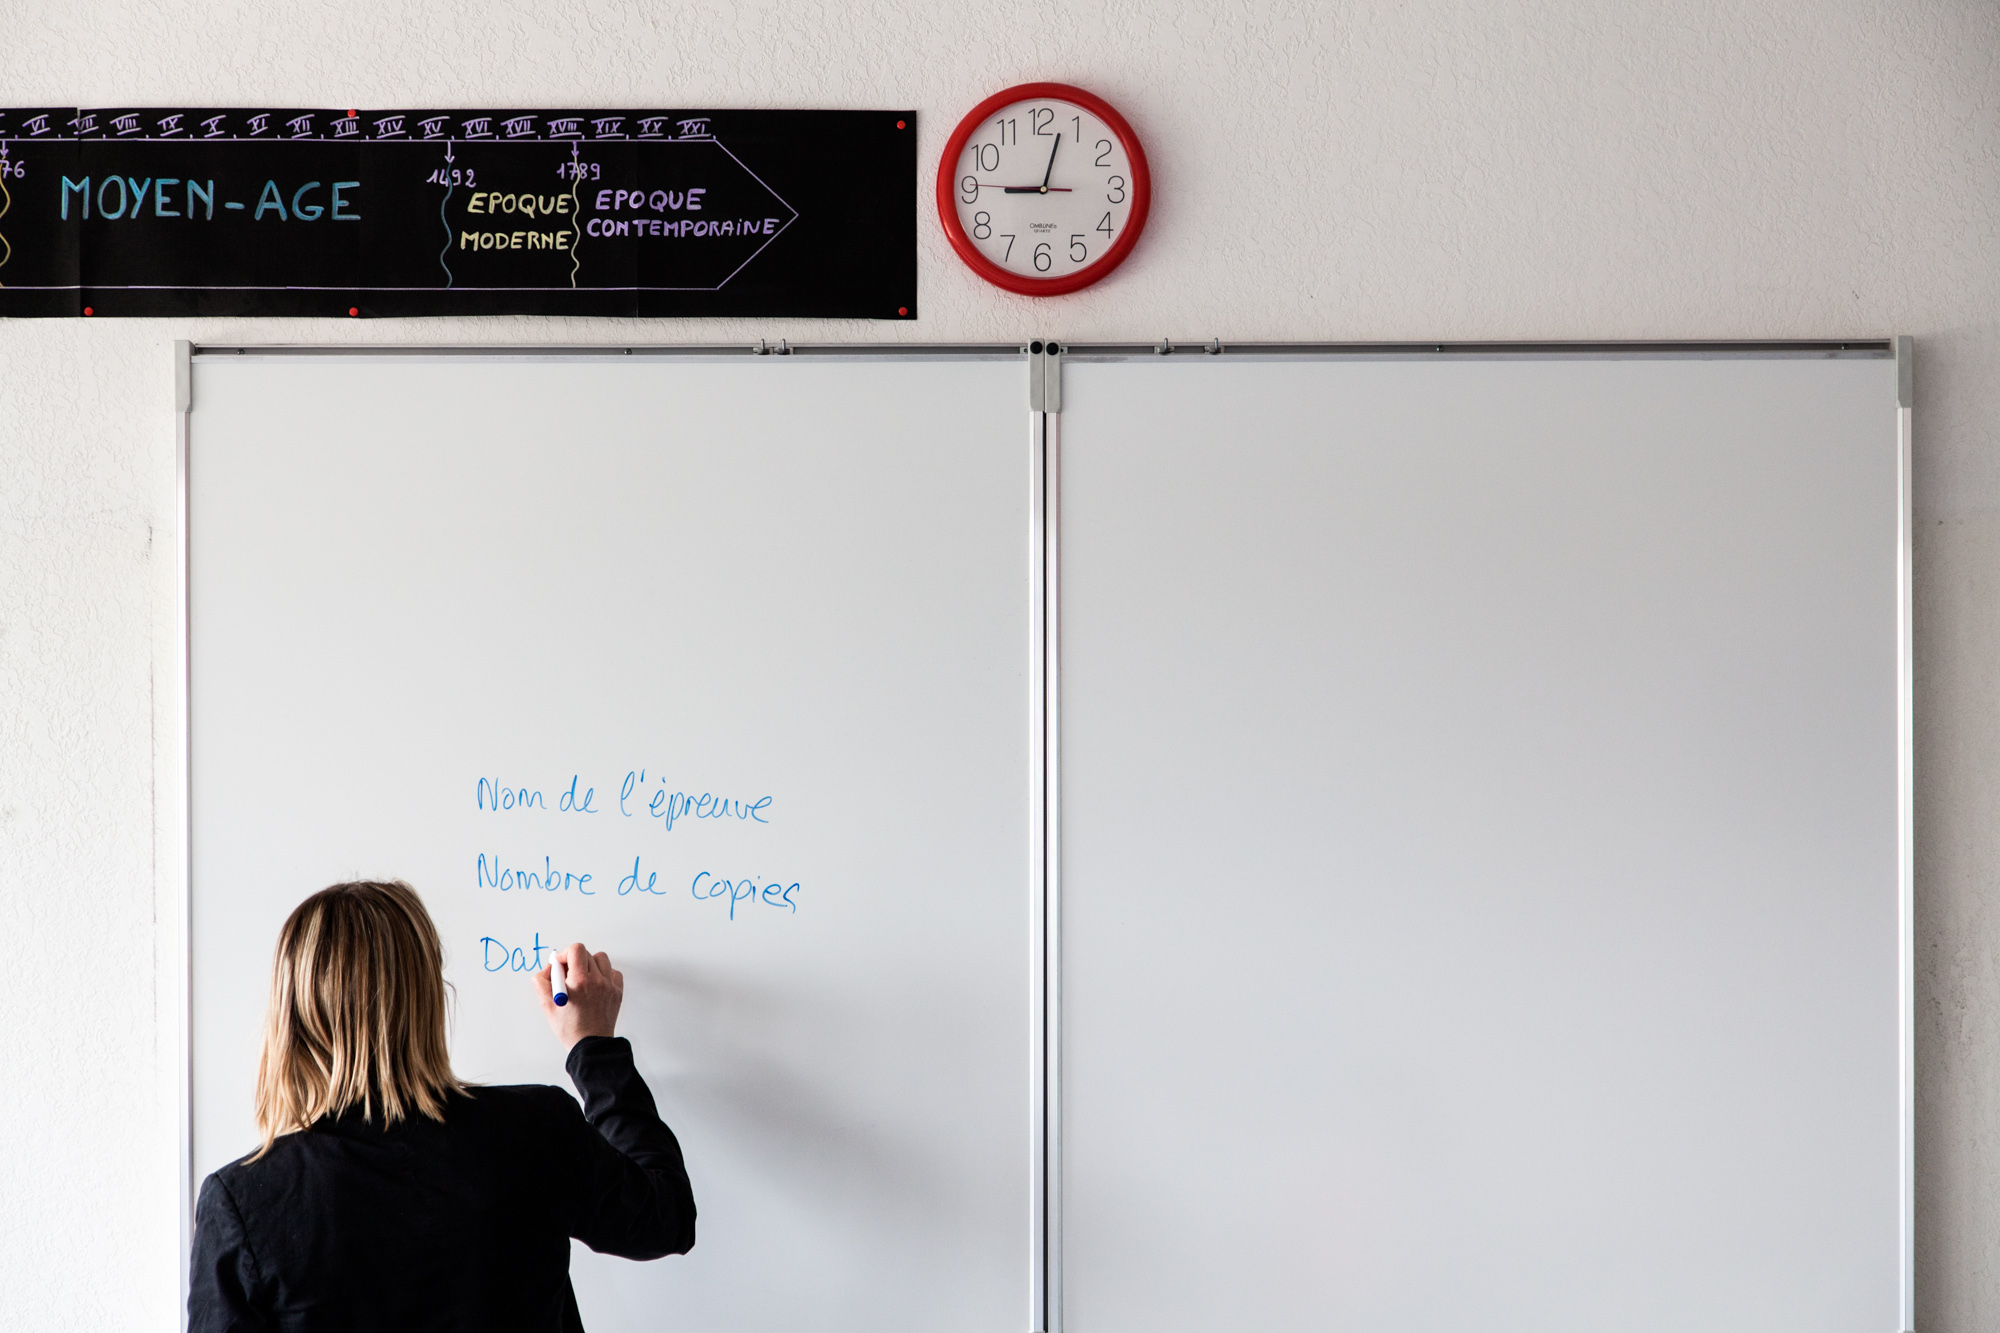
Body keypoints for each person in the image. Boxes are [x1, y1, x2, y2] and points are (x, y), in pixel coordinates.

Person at [187, 880, 695, 1331]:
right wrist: (594, 1048)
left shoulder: (244, 1201)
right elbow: (666, 1217)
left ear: (292, 1015)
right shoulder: (533, 1129)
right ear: (430, 995)